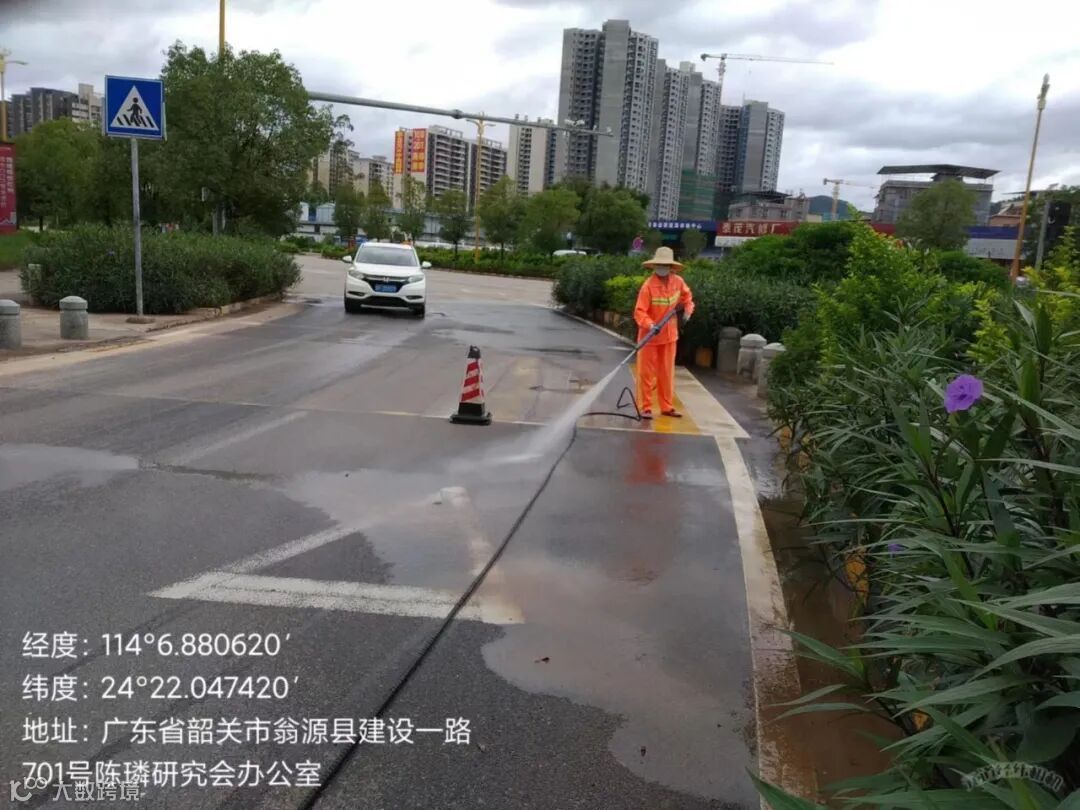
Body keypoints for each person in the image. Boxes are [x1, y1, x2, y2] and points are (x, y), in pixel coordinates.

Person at [633, 246, 694, 419]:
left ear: (671, 267)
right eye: (659, 265)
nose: (662, 268)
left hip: (669, 336)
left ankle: (666, 407)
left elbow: (687, 298)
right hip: (650, 337)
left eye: (665, 265)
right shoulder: (648, 287)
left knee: (666, 373)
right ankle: (645, 407)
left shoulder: (678, 282)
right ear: (654, 266)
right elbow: (639, 312)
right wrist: (650, 325)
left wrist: (688, 311)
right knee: (646, 373)